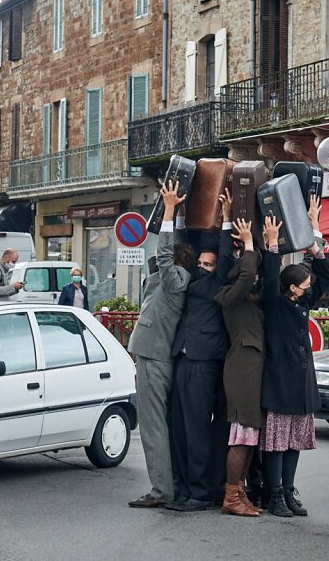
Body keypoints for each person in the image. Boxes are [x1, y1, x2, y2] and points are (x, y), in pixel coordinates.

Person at [259, 197, 329, 518]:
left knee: (295, 441)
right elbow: (269, 272)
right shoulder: (274, 301)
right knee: (276, 442)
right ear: (290, 288)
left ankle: (289, 492)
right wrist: (272, 245)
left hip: (301, 381)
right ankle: (273, 493)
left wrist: (315, 237)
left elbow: (326, 278)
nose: (309, 288)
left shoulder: (303, 302)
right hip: (278, 379)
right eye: (303, 285)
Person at [126, 180, 194, 509]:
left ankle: (161, 491)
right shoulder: (171, 279)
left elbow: (164, 254)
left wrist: (168, 210)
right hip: (155, 354)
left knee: (153, 428)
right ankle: (168, 484)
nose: (156, 256)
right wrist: (177, 212)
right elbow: (164, 256)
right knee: (160, 426)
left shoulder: (175, 278)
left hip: (154, 356)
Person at [167, 191, 234, 512]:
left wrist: (227, 216)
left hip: (204, 362)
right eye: (202, 263)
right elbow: (181, 251)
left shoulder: (219, 281)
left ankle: (201, 492)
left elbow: (226, 254)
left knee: (196, 429)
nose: (205, 267)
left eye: (211, 264)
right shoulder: (190, 277)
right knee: (179, 427)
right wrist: (177, 211)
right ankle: (183, 487)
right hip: (181, 357)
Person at [214, 217, 264, 517]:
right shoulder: (229, 295)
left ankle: (239, 493)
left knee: (249, 437)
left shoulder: (251, 300)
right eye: (252, 274)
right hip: (241, 371)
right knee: (242, 435)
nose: (256, 278)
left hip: (250, 371)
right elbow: (245, 277)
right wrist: (247, 244)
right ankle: (232, 496)